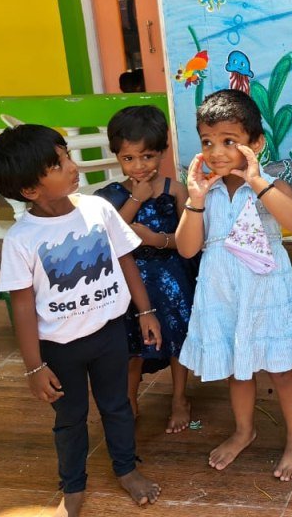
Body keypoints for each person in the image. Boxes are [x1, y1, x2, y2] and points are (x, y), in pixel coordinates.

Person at [0, 124, 162, 517]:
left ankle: (126, 469)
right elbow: (22, 306)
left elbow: (125, 259)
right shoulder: (21, 239)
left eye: (66, 155)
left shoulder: (98, 209)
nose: (72, 166)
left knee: (118, 405)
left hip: (110, 333)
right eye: (58, 164)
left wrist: (145, 311)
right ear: (29, 189)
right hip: (59, 348)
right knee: (70, 418)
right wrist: (34, 366)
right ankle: (73, 485)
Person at [175, 89, 292, 482]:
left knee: (281, 369)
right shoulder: (204, 193)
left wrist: (258, 182)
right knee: (237, 370)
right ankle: (244, 430)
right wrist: (195, 200)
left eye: (229, 141)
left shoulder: (271, 186)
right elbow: (187, 248)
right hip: (222, 295)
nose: (216, 152)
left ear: (256, 143)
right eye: (207, 141)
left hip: (266, 295)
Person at [95, 105, 195, 434]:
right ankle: (129, 399)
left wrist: (156, 239)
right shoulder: (110, 196)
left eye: (148, 156)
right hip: (129, 281)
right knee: (132, 347)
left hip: (171, 279)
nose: (139, 166)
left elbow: (187, 241)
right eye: (129, 158)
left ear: (163, 152)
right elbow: (108, 239)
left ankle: (179, 398)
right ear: (117, 157)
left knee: (177, 339)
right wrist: (136, 199)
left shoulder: (175, 190)